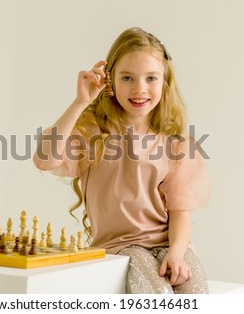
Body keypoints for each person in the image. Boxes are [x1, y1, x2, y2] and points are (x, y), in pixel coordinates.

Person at [33, 27, 210, 294]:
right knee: (153, 292)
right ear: (110, 80)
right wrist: (80, 103)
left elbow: (180, 210)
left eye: (151, 78)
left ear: (165, 81)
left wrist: (177, 252)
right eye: (127, 77)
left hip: (168, 243)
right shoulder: (94, 132)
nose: (140, 89)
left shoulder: (174, 143)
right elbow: (44, 160)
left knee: (195, 292)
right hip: (121, 247)